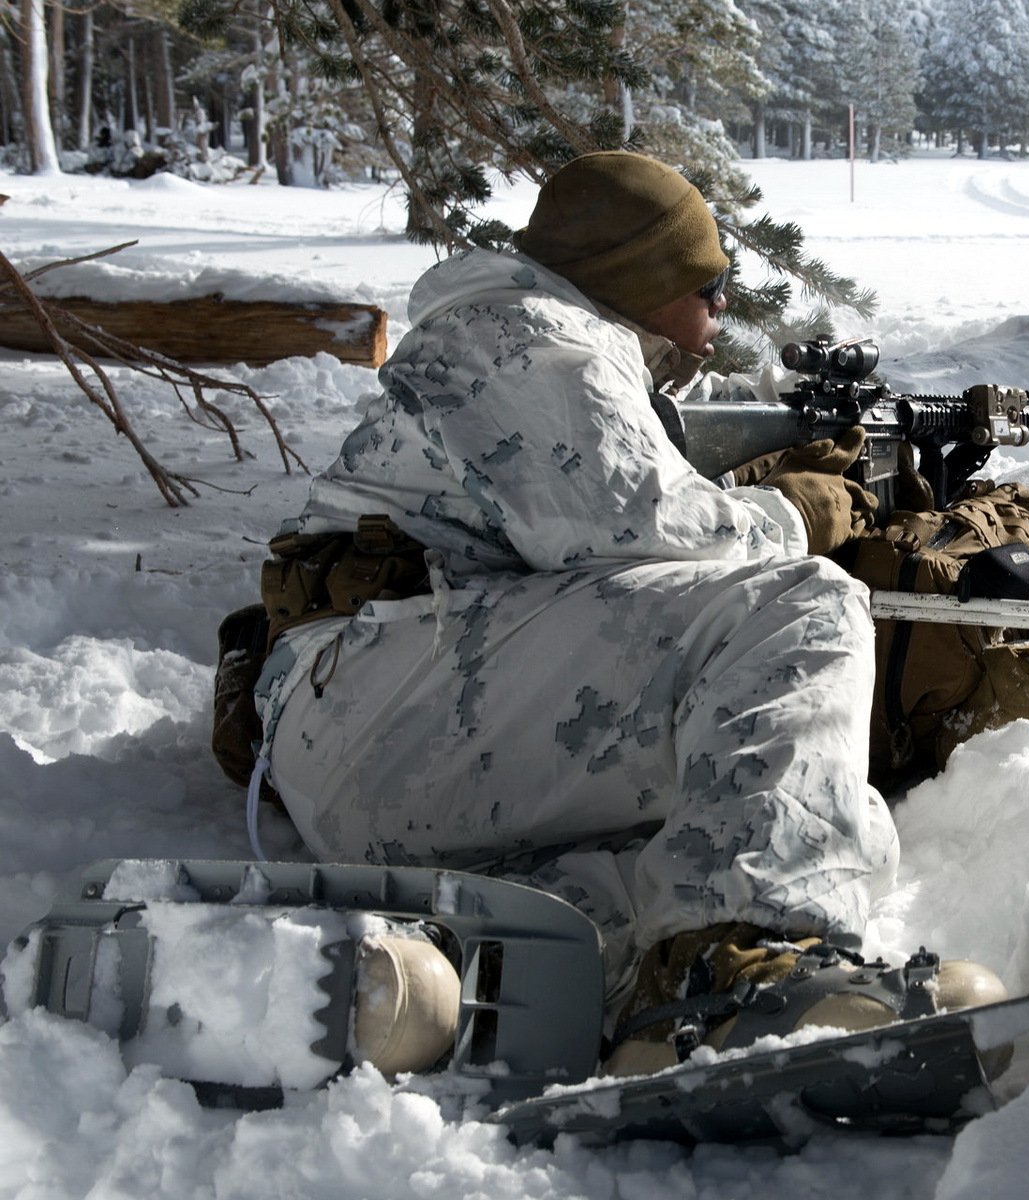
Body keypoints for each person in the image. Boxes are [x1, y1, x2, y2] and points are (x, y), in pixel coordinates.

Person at [252, 151, 953, 1072]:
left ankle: (558, 988)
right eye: (710, 282)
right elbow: (634, 535)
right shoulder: (518, 335)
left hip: (399, 726)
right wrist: (801, 512)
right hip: (375, 705)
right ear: (641, 273)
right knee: (806, 609)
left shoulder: (547, 343)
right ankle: (744, 973)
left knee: (812, 810)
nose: (722, 308)